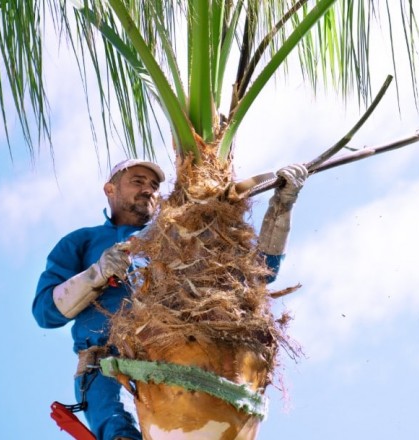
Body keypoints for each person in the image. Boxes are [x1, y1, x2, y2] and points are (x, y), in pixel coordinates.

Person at [32, 159, 307, 440]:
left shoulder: (178, 233)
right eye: (137, 181)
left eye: (154, 185)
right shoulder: (82, 241)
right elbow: (46, 312)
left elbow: (261, 272)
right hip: (109, 367)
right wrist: (97, 273)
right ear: (110, 189)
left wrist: (282, 207)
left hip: (184, 361)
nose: (149, 190)